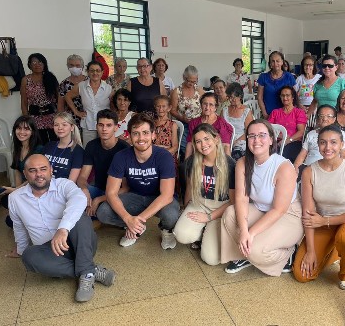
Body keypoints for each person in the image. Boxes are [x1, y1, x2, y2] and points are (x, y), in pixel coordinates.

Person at [8, 154, 116, 302]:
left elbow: (80, 199)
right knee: (28, 257)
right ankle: (89, 270)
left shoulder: (64, 185)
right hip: (51, 252)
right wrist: (20, 249)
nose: (39, 174)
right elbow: (19, 226)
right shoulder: (15, 198)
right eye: (32, 170)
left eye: (43, 169)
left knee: (80, 216)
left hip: (80, 242)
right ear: (25, 173)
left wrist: (63, 229)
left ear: (51, 170)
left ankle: (86, 272)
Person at [220, 119, 303, 276]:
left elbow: (279, 210)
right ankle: (243, 255)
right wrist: (244, 230)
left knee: (257, 250)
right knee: (230, 213)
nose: (256, 140)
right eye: (251, 136)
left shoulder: (284, 167)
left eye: (262, 135)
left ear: (271, 139)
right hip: (261, 209)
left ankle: (288, 253)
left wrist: (250, 233)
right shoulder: (242, 163)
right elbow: (242, 199)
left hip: (288, 215)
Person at [293, 125, 345, 290]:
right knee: (302, 275)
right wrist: (310, 251)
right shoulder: (309, 172)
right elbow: (308, 214)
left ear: (341, 144)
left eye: (333, 142)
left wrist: (325, 220)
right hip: (321, 224)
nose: (328, 147)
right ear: (318, 145)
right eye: (323, 143)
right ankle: (334, 248)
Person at [96, 113, 181, 250]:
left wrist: (138, 219)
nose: (141, 138)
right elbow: (111, 193)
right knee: (103, 212)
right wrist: (128, 219)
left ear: (153, 135)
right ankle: (131, 227)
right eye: (136, 133)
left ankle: (165, 231)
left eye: (145, 133)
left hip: (159, 197)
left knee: (171, 215)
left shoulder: (164, 156)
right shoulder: (121, 156)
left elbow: (167, 195)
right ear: (130, 136)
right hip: (134, 196)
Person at [173, 124, 236, 265]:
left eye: (207, 139)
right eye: (198, 141)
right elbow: (190, 187)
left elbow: (233, 201)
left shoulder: (230, 164)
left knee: (211, 259)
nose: (203, 145)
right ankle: (202, 232)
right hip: (199, 203)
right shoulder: (192, 162)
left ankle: (209, 229)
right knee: (182, 235)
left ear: (217, 139)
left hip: (220, 208)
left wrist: (209, 217)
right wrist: (185, 207)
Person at [77, 109, 130, 218]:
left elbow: (126, 188)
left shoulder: (124, 148)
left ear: (116, 128)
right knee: (74, 194)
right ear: (97, 126)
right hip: (98, 189)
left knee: (103, 212)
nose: (104, 129)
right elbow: (82, 177)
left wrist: (98, 200)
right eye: (101, 125)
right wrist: (84, 189)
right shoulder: (92, 145)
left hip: (117, 194)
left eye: (109, 125)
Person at [65, 61, 113, 147]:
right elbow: (67, 97)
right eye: (92, 70)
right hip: (88, 124)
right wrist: (76, 112)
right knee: (88, 149)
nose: (95, 73)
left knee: (105, 148)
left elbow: (114, 105)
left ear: (102, 72)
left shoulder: (108, 88)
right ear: (87, 72)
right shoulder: (81, 86)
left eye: (98, 71)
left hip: (104, 126)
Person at [294, 106, 345, 177]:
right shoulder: (311, 134)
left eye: (329, 116)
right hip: (309, 169)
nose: (325, 119)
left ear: (334, 119)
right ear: (317, 119)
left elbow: (344, 156)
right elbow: (302, 155)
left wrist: (338, 172)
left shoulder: (340, 134)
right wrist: (295, 167)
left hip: (331, 171)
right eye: (321, 116)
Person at [21, 53, 59, 144]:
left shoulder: (50, 77)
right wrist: (26, 119)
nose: (37, 65)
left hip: (51, 116)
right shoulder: (25, 80)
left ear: (44, 64)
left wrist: (59, 115)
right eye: (34, 62)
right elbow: (24, 101)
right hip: (35, 117)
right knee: (39, 144)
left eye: (40, 62)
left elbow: (59, 98)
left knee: (55, 142)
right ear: (29, 65)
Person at [185, 93, 233, 158]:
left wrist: (227, 165)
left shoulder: (221, 124)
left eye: (211, 105)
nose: (207, 108)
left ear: (215, 107)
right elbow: (190, 144)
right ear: (201, 105)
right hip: (197, 156)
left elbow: (226, 146)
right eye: (205, 104)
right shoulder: (194, 123)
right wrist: (186, 163)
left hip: (216, 157)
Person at [171, 65, 205, 155]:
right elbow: (172, 110)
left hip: (199, 123)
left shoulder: (200, 91)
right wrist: (182, 118)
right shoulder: (177, 91)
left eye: (194, 81)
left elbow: (205, 106)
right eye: (189, 81)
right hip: (184, 124)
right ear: (183, 77)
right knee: (184, 147)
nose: (191, 84)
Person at [268, 86, 307, 162]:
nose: (285, 98)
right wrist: (281, 136)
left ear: (292, 97)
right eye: (282, 95)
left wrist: (287, 140)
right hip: (276, 141)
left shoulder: (299, 112)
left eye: (287, 95)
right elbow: (268, 129)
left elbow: (301, 132)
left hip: (294, 142)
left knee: (283, 158)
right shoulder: (275, 112)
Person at [43, 112, 84, 182]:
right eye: (56, 125)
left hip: (62, 189)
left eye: (64, 125)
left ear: (72, 127)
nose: (60, 128)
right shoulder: (49, 145)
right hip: (42, 186)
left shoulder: (78, 151)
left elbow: (71, 182)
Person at [257, 51, 296, 119]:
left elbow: (294, 96)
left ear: (282, 62)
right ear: (270, 64)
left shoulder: (289, 76)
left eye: (277, 61)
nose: (275, 64)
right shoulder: (263, 77)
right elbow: (259, 97)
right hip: (268, 114)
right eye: (273, 61)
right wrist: (264, 113)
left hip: (286, 115)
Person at [222, 82, 254, 160]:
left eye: (233, 97)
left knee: (236, 153)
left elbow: (249, 131)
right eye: (229, 97)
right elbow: (221, 128)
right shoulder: (225, 110)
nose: (230, 100)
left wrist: (235, 142)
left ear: (239, 96)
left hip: (241, 140)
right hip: (226, 139)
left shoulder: (246, 111)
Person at [57, 54, 88, 130]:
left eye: (77, 65)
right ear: (68, 66)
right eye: (71, 65)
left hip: (88, 118)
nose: (75, 68)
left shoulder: (89, 81)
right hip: (70, 120)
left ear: (82, 66)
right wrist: (61, 122)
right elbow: (60, 106)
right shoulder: (64, 84)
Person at [153, 95, 180, 160]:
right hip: (152, 155)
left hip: (166, 156)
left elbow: (175, 147)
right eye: (158, 106)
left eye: (164, 106)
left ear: (169, 108)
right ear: (155, 107)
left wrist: (162, 154)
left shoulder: (172, 125)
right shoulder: (151, 123)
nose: (161, 109)